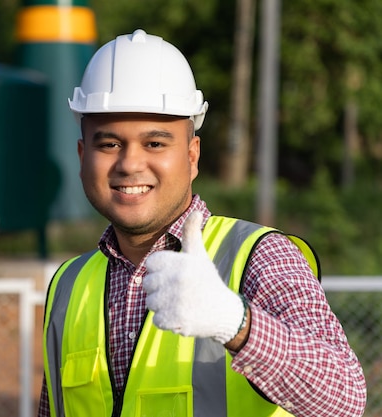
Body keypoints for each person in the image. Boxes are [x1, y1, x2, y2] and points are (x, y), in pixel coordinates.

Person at [38, 28, 367, 417]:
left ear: (192, 155)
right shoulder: (67, 286)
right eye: (109, 144)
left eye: (155, 143)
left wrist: (235, 323)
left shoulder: (259, 257)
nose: (129, 163)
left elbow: (344, 397)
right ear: (82, 155)